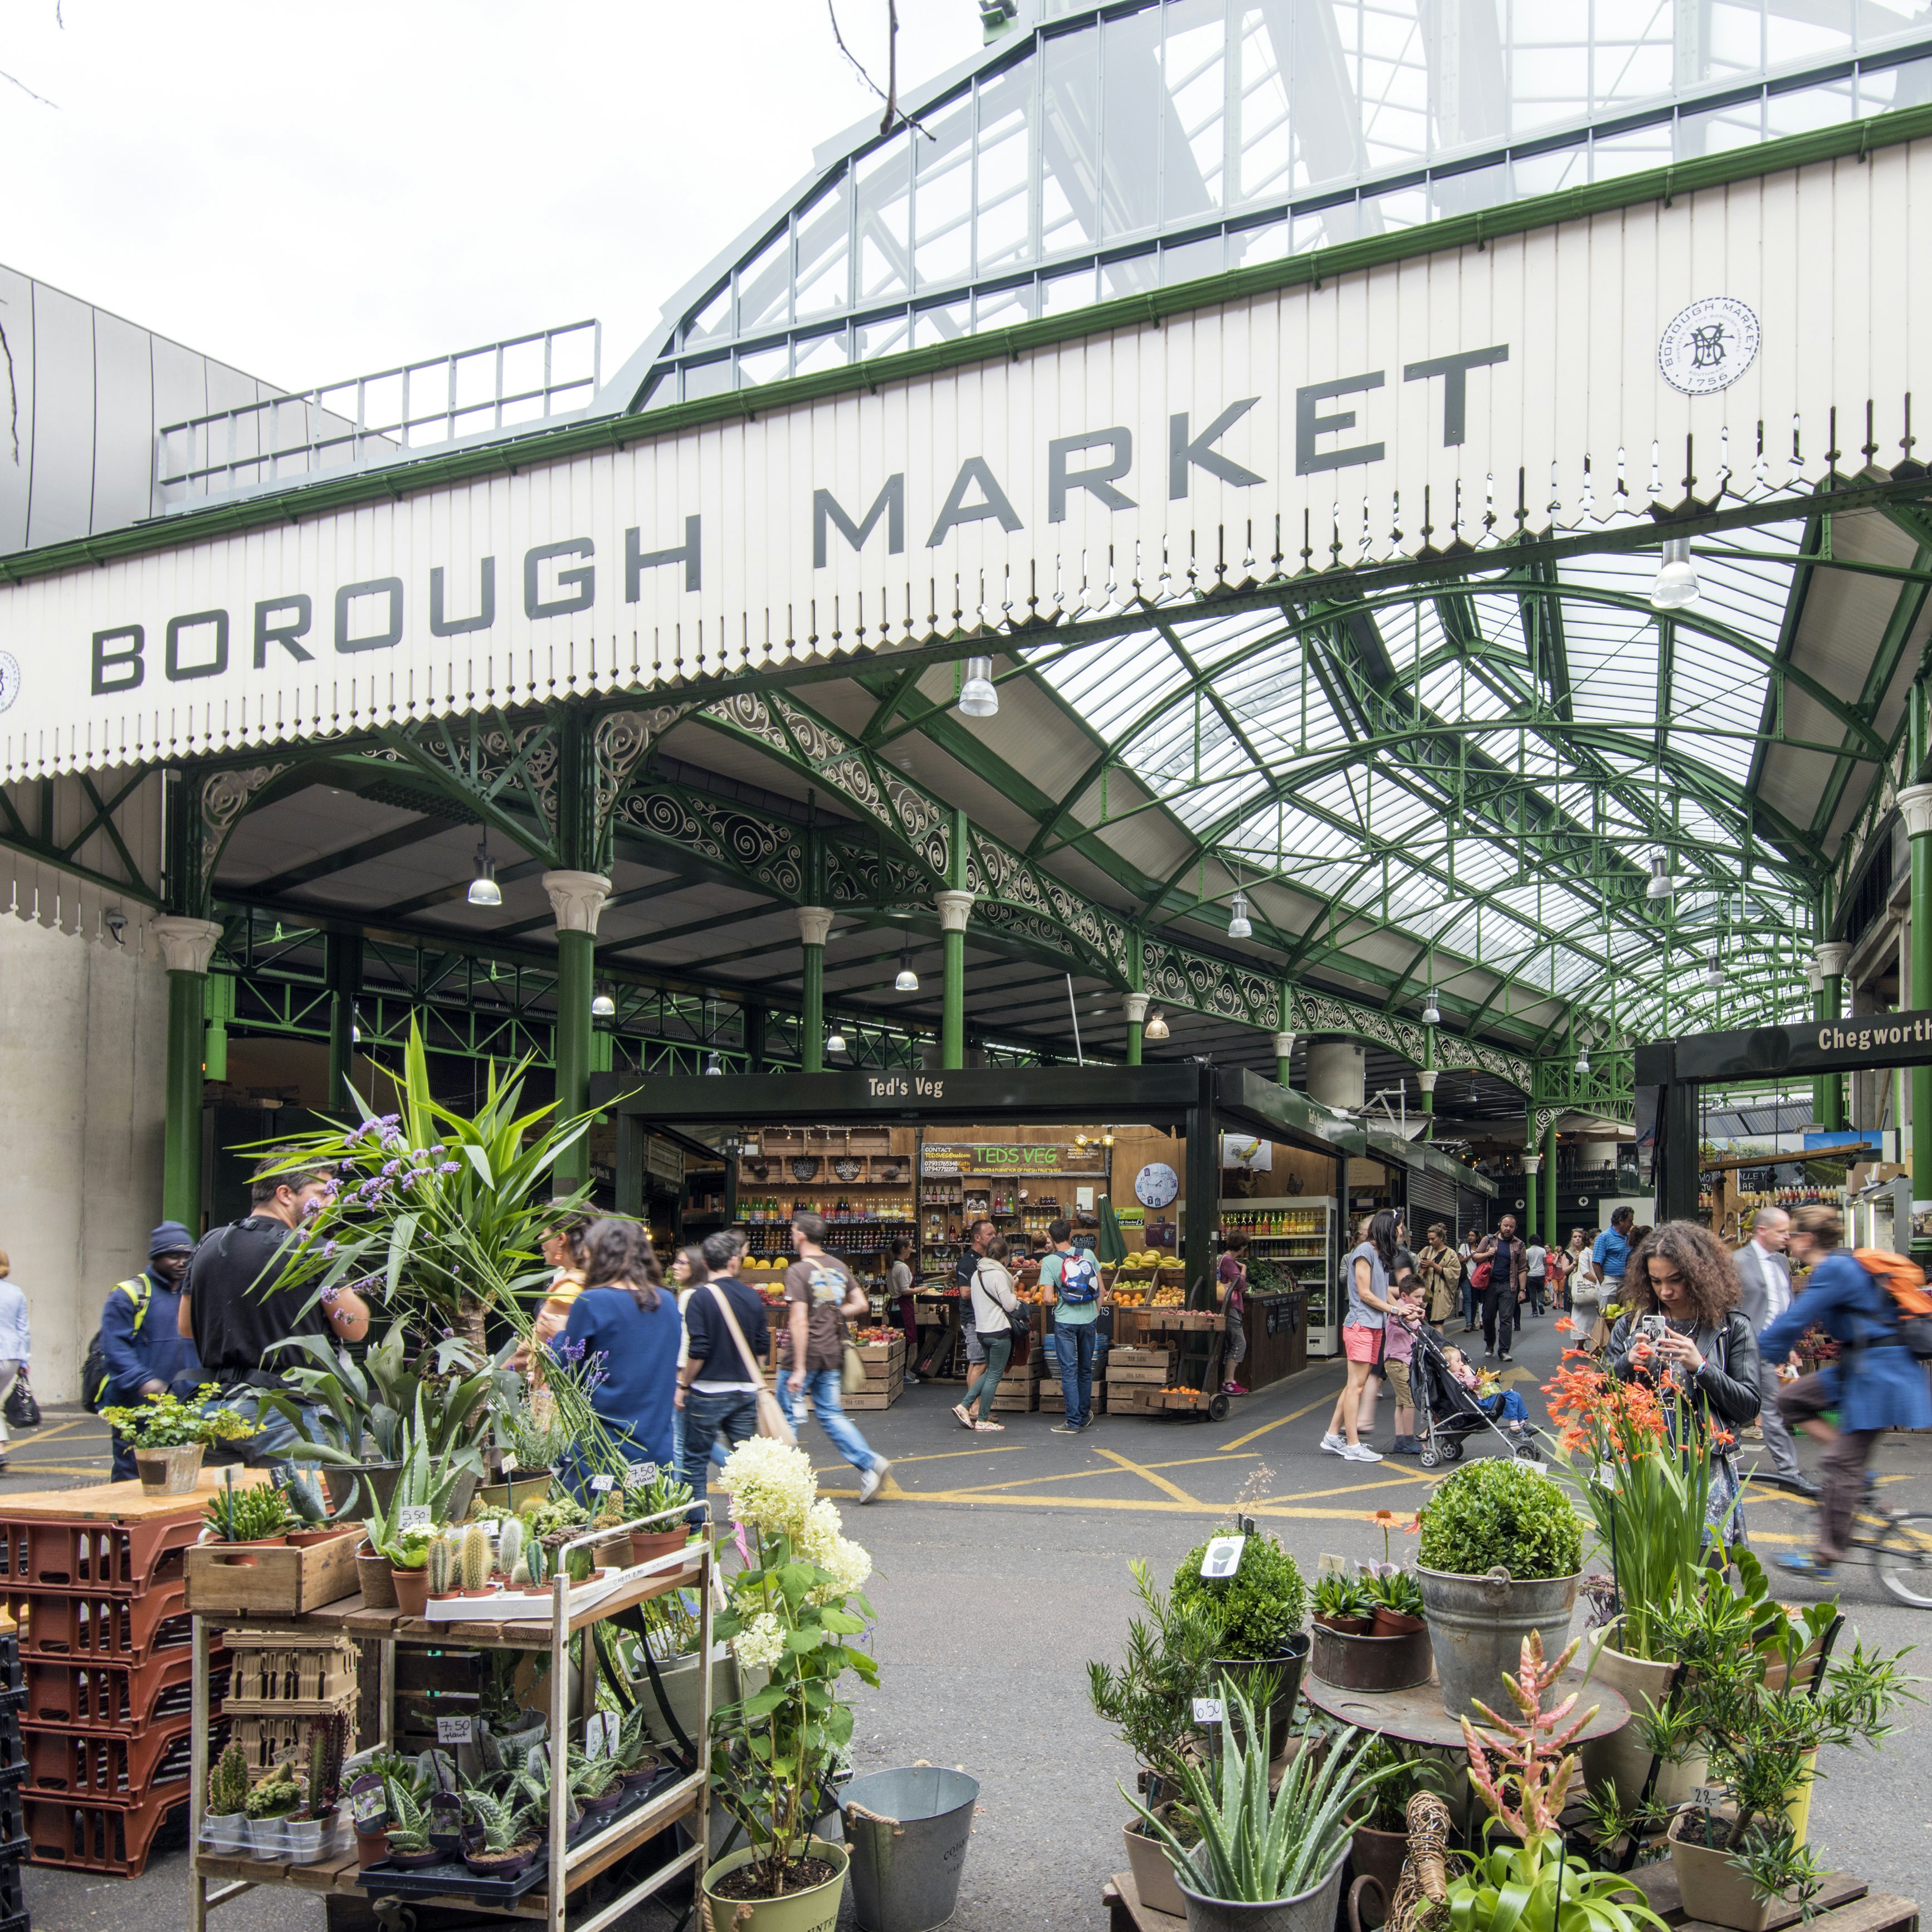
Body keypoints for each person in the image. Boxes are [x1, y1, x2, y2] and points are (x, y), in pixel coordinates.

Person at [1758, 1203, 1932, 1577]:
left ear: (1807, 1238)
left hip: (1881, 1375)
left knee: (1841, 1464)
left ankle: (1826, 1555)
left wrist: (1755, 1352)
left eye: (1792, 1234)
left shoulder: (1835, 1269)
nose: (1788, 1240)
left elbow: (1796, 1318)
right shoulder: (1838, 1265)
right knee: (1791, 1400)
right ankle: (1857, 1475)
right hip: (1861, 1368)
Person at [182, 1154, 370, 1471]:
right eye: (323, 1193)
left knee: (232, 1504)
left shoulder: (208, 1245)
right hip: (286, 1413)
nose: (332, 1203)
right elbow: (356, 1327)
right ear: (285, 1194)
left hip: (216, 1410)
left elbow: (186, 1326)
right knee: (307, 1503)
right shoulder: (310, 1249)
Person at [1606, 1221, 1761, 1545]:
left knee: (1708, 1565)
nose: (1666, 1291)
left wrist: (1701, 1367)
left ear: (1701, 1275)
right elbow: (1599, 1396)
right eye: (1656, 1281)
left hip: (1705, 1466)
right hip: (1641, 1462)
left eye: (1676, 1280)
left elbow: (1748, 1408)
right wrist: (1626, 1363)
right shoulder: (1629, 1326)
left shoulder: (1731, 1328)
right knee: (1646, 1566)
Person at [557, 1218, 681, 1481]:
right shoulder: (668, 1302)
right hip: (655, 1451)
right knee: (650, 1507)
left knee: (602, 1509)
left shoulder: (591, 1302)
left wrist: (558, 1335)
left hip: (602, 1454)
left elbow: (566, 1374)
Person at [780, 1213, 891, 1501]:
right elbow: (861, 1304)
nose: (792, 1235)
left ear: (801, 1235)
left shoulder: (798, 1271)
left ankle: (784, 1484)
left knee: (786, 1419)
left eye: (793, 1230)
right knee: (831, 1414)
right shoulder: (839, 1267)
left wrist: (799, 1368)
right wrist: (832, 1313)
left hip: (803, 1355)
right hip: (832, 1351)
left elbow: (799, 1321)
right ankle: (870, 1463)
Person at [677, 1230, 770, 1525]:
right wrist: (750, 1374)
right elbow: (762, 1347)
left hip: (706, 1392)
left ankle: (696, 1526)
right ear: (734, 1261)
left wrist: (684, 1384)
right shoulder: (751, 1296)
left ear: (705, 1263)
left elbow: (699, 1350)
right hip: (744, 1391)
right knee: (744, 1462)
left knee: (695, 1461)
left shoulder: (699, 1298)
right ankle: (745, 1524)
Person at [98, 1222, 203, 1480]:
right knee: (133, 1479)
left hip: (185, 1408)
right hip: (137, 1410)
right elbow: (114, 1349)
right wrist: (145, 1382)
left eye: (187, 1256)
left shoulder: (196, 1295)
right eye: (173, 1256)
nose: (182, 1263)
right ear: (156, 1258)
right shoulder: (128, 1295)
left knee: (184, 1478)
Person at [1733, 1207, 1813, 1495]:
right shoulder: (1737, 1261)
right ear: (1762, 1231)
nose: (1787, 1236)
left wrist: (1789, 1346)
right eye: (1781, 1231)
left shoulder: (1781, 1261)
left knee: (1772, 1410)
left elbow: (1783, 1305)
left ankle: (1789, 1474)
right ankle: (1720, 1464)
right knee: (1732, 1408)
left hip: (1769, 1350)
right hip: (1742, 1348)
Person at [1323, 1208, 1396, 1462]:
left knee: (1355, 1385)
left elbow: (1382, 1291)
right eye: (1397, 1230)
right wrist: (1395, 1310)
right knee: (1356, 1387)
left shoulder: (1379, 1254)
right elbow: (1365, 1293)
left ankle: (1333, 1435)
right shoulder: (1364, 1252)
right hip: (1361, 1325)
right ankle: (1353, 1445)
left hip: (1373, 1325)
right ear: (1387, 1229)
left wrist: (1404, 1308)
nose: (1400, 1234)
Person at [957, 1235, 1022, 1433]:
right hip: (999, 1331)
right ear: (1005, 1256)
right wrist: (1013, 1289)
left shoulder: (977, 1274)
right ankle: (982, 1419)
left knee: (989, 1372)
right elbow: (1010, 1305)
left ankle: (964, 1406)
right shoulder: (1000, 1275)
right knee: (994, 1375)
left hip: (982, 1331)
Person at [1043, 1218, 1102, 1433]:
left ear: (1051, 1238)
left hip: (1065, 1322)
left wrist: (1057, 1298)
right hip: (1088, 1320)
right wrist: (1095, 1315)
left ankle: (1073, 1422)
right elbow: (1101, 1290)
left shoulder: (1049, 1262)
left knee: (1069, 1371)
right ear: (1070, 1235)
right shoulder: (1087, 1254)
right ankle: (1084, 1415)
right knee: (1086, 1370)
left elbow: (1047, 1298)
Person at [515, 1212, 593, 1373]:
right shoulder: (588, 1278)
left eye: (544, 1232)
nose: (540, 1239)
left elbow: (529, 1352)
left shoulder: (569, 1289)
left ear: (561, 1239)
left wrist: (489, 1376)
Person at [1442, 1343, 1533, 1433]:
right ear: (1448, 1365)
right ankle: (1514, 1427)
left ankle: (1522, 1424)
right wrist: (1467, 1371)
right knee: (1509, 1396)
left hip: (1481, 1400)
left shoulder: (1461, 1375)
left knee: (1515, 1395)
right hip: (1477, 1404)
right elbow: (1472, 1383)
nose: (1462, 1363)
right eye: (1458, 1361)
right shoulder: (1456, 1377)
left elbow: (1478, 1383)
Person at [1382, 1268, 1424, 1455]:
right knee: (1410, 1402)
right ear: (1405, 1296)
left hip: (1404, 1362)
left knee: (1401, 1403)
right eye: (1417, 1297)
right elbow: (1397, 1320)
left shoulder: (1412, 1309)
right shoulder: (1399, 1309)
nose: (1420, 1301)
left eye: (1422, 1297)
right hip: (1398, 1361)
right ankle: (1409, 1440)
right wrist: (1412, 1318)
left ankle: (1400, 1440)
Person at [1476, 1214, 1527, 1361]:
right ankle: (1489, 1344)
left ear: (1515, 1228)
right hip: (1490, 1285)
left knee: (1506, 1319)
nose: (1508, 1229)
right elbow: (1476, 1257)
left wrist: (1522, 1290)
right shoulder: (1488, 1240)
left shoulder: (1520, 1245)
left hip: (1509, 1286)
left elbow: (1523, 1269)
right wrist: (1488, 1253)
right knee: (1488, 1317)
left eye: (1511, 1227)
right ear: (1500, 1225)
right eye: (1505, 1225)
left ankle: (1504, 1351)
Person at [954, 1218, 995, 1379]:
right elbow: (965, 1293)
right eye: (990, 1234)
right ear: (977, 1238)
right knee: (979, 1363)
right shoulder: (967, 1262)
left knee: (979, 1363)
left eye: (995, 1233)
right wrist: (992, 1289)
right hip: (973, 1319)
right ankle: (973, 1397)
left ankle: (973, 1396)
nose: (994, 1237)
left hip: (985, 1318)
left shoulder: (988, 1259)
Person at [0, 1252, 27, 1475]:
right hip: (12, 1355)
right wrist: (24, 1360)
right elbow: (23, 1329)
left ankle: (0, 1451)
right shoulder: (16, 1293)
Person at [1216, 1232, 1250, 1397]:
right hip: (1230, 1307)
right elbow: (1240, 1284)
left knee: (1231, 1344)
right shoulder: (1229, 1260)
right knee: (1239, 1343)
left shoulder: (1225, 1259)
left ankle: (1229, 1382)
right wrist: (1244, 1269)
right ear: (1241, 1246)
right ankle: (1229, 1382)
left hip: (1229, 1307)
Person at [886, 1237, 921, 1384]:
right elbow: (905, 1291)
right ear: (903, 1249)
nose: (911, 1250)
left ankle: (898, 1372)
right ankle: (902, 1374)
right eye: (910, 1247)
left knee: (897, 1341)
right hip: (902, 1308)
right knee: (904, 1341)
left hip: (893, 1308)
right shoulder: (902, 1267)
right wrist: (920, 1289)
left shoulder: (891, 1266)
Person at [1417, 1223, 1461, 1328]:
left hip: (1441, 1294)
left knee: (1438, 1323)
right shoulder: (1426, 1251)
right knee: (1423, 1323)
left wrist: (1434, 1265)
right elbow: (1415, 1268)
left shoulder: (1451, 1254)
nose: (1430, 1242)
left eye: (1433, 1239)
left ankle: (1438, 1340)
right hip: (1426, 1294)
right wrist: (1421, 1267)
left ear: (1441, 1238)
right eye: (1429, 1239)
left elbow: (1454, 1273)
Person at [1457, 1228, 1483, 1331]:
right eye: (1469, 1235)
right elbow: (1459, 1260)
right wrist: (1471, 1256)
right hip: (1466, 1277)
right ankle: (1468, 1323)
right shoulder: (1464, 1247)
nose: (1471, 1237)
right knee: (1468, 1299)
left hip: (1477, 1278)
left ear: (1477, 1237)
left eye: (1473, 1235)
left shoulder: (1480, 1248)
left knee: (1475, 1300)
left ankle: (1472, 1322)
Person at [1525, 1235, 1548, 1317]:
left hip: (1531, 1274)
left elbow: (1526, 1264)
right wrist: (1548, 1274)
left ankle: (1534, 1311)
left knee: (1533, 1293)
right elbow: (1545, 1263)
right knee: (1541, 1290)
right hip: (1541, 1273)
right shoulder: (1543, 1251)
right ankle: (1541, 1303)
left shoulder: (1527, 1251)